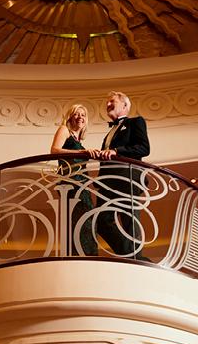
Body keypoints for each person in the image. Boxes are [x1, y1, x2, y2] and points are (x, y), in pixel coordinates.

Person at [95, 91, 151, 260]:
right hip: (106, 183)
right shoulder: (108, 134)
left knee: (129, 221)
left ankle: (134, 260)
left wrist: (116, 151)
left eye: (112, 101)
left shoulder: (135, 122)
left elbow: (144, 148)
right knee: (101, 222)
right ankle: (134, 257)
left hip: (127, 177)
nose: (108, 105)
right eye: (107, 102)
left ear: (125, 105)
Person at [50, 104, 100, 256]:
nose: (80, 117)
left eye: (83, 115)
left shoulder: (78, 139)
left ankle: (87, 254)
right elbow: (54, 150)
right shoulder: (65, 130)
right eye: (77, 114)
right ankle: (78, 254)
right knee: (78, 217)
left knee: (87, 217)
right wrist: (82, 152)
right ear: (70, 117)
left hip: (82, 183)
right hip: (71, 182)